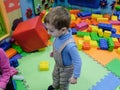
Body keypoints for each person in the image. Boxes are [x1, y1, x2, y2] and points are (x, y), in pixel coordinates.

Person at [44, 6, 82, 90]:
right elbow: (58, 47)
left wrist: (75, 77)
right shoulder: (58, 35)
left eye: (51, 30)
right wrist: (54, 53)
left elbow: (78, 61)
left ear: (63, 30)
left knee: (63, 83)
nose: (48, 32)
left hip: (66, 68)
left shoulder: (70, 46)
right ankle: (55, 86)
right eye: (48, 29)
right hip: (58, 64)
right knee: (55, 76)